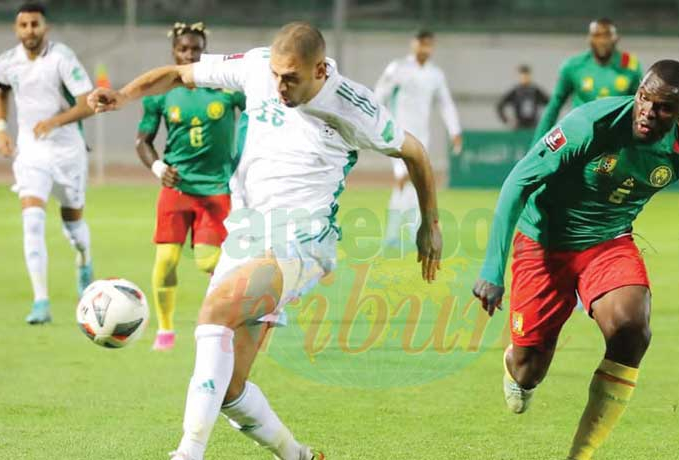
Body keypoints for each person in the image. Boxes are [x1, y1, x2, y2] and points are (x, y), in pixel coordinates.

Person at [88, 22, 442, 460]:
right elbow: (180, 74)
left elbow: (416, 153)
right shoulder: (258, 67)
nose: (279, 85)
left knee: (214, 310)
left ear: (319, 71)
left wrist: (431, 223)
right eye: (276, 74)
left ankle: (187, 453)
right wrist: (123, 95)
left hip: (302, 244)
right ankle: (298, 455)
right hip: (245, 233)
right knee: (231, 388)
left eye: (291, 78)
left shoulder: (354, 105)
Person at [472, 60, 679, 460]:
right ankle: (516, 361)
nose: (647, 111)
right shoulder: (592, 123)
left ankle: (580, 454)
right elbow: (519, 181)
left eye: (662, 107)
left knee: (632, 331)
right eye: (644, 98)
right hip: (544, 243)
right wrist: (491, 268)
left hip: (609, 243)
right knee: (527, 371)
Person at [136, 22, 247, 351]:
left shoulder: (227, 89)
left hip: (215, 189)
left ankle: (232, 314)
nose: (189, 54)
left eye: (195, 49)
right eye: (183, 49)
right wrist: (158, 167)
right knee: (166, 260)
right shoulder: (162, 93)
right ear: (173, 51)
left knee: (208, 262)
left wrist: (242, 160)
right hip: (177, 189)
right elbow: (143, 140)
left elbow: (257, 115)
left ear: (205, 50)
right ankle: (165, 331)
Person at [0, 2, 96, 324]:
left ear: (45, 28)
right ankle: (41, 301)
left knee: (73, 226)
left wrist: (55, 122)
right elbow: (0, 92)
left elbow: (89, 103)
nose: (29, 31)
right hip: (31, 152)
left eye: (35, 25)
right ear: (16, 29)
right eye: (23, 26)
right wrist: (1, 130)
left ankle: (84, 260)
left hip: (67, 152)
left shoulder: (62, 58)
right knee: (32, 221)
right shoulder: (7, 63)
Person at [374, 29, 461, 249]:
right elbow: (378, 95)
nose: (425, 49)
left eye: (429, 45)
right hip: (397, 134)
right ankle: (394, 234)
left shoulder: (435, 74)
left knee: (417, 181)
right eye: (422, 44)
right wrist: (376, 124)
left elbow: (445, 103)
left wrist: (455, 130)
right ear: (413, 45)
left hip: (422, 137)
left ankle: (407, 232)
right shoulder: (398, 68)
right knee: (403, 179)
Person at [532, 18, 643, 141]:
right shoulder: (573, 66)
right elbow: (554, 106)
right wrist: (536, 145)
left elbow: (640, 107)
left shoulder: (630, 67)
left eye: (607, 35)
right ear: (589, 39)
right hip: (580, 139)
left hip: (615, 142)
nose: (602, 41)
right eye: (597, 35)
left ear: (616, 38)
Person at [496, 65, 549, 130]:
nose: (525, 77)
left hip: (533, 126)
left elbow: (550, 103)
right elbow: (500, 105)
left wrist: (545, 121)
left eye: (527, 75)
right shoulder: (515, 91)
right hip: (519, 126)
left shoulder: (535, 91)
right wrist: (506, 120)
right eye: (523, 75)